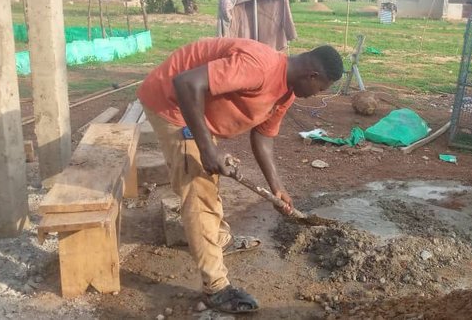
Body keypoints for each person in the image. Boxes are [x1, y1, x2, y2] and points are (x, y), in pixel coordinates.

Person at [136, 38, 343, 313]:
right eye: (320, 89)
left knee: (208, 179)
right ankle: (216, 289)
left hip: (195, 107)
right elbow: (185, 83)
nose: (315, 95)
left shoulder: (288, 91)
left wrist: (276, 188)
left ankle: (218, 239)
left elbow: (263, 136)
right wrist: (206, 147)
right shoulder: (260, 67)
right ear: (312, 75)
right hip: (173, 104)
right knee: (199, 193)